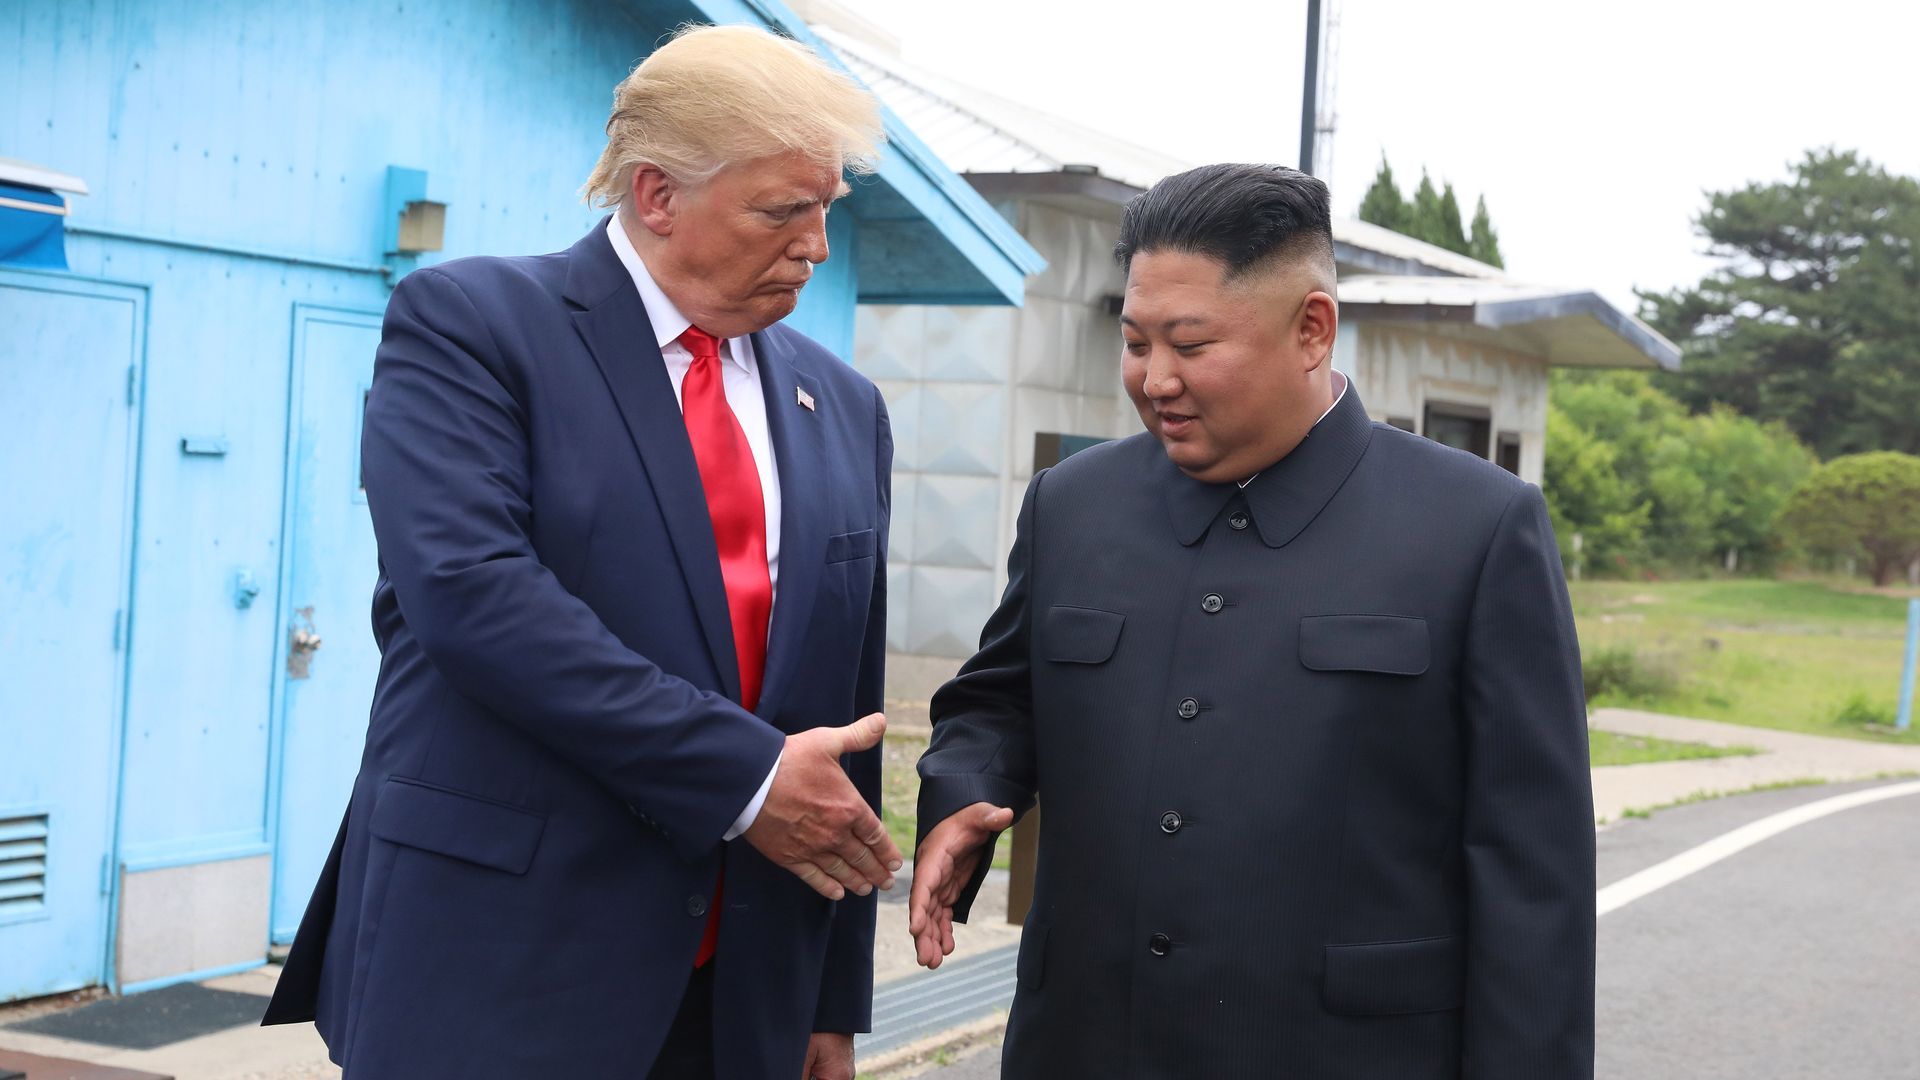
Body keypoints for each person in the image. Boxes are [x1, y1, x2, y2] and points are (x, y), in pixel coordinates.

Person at [263, 25, 900, 1080]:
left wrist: (831, 1000)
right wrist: (745, 779)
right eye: (784, 211)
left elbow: (844, 706)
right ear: (657, 194)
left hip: (742, 993)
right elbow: (475, 600)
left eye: (827, 208)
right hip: (503, 967)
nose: (816, 246)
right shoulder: (475, 326)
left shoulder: (843, 404)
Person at [910, 163, 1595, 1079]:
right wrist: (964, 794)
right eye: (1136, 341)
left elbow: (1532, 870)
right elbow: (997, 706)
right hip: (1086, 1044)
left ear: (1312, 329)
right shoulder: (1074, 507)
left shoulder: (1475, 526)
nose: (1156, 380)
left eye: (1191, 345)